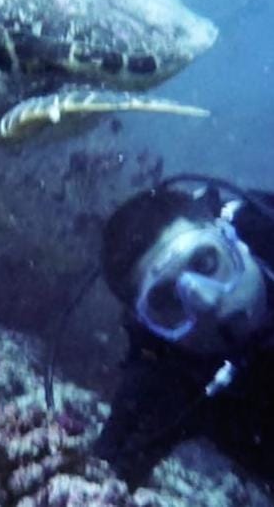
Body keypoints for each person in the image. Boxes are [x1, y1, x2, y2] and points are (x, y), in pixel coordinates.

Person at [94, 173, 274, 489]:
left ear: (231, 237)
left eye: (205, 262)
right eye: (167, 299)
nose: (206, 301)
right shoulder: (167, 381)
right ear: (147, 323)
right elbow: (101, 482)